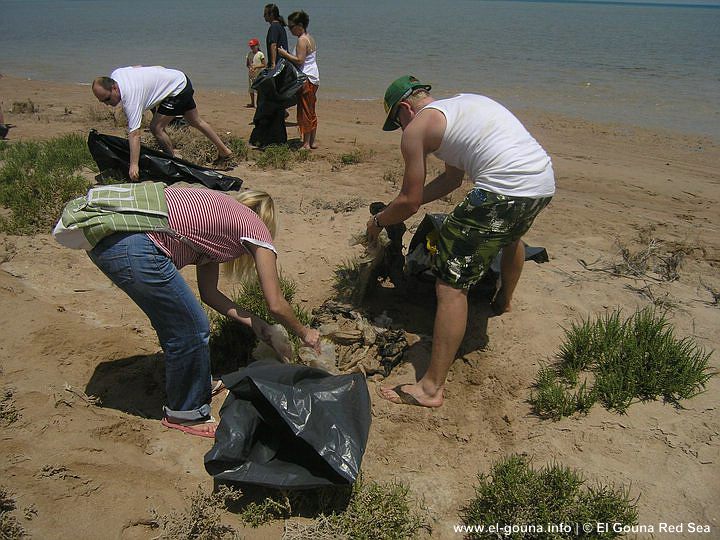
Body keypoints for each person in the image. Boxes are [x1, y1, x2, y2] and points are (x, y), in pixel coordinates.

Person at [368, 76, 555, 409]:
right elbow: (452, 179)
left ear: (404, 109)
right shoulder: (461, 106)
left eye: (396, 122)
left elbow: (408, 202)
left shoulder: (416, 130)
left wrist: (379, 221)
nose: (401, 130)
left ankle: (430, 389)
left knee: (451, 285)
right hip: (540, 181)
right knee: (511, 236)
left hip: (503, 188)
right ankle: (504, 302)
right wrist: (407, 205)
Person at [88, 186, 321, 437]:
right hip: (136, 245)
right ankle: (186, 413)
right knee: (191, 328)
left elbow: (209, 294)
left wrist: (255, 323)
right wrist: (304, 332)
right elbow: (275, 303)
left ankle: (195, 382)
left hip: (106, 239)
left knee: (183, 322)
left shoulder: (218, 222)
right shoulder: (256, 227)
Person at [92, 66, 235, 181]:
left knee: (156, 128)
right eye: (102, 101)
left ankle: (172, 161)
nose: (107, 104)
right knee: (195, 121)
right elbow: (138, 67)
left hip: (176, 90)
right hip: (180, 78)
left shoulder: (131, 99)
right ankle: (225, 151)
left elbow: (135, 134)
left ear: (114, 88)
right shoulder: (117, 74)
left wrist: (134, 165)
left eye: (107, 99)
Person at [278, 10, 319, 150]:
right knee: (311, 109)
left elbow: (300, 60)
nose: (290, 30)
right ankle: (312, 141)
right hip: (314, 77)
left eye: (291, 27)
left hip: (306, 78)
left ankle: (306, 143)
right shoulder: (309, 37)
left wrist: (284, 54)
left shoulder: (302, 40)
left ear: (300, 25)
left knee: (305, 110)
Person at [263, 4, 288, 70]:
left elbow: (273, 45)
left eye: (265, 14)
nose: (263, 16)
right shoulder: (280, 26)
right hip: (283, 63)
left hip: (278, 64)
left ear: (271, 15)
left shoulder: (274, 27)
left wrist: (273, 64)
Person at [246, 38, 266, 108]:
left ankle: (258, 103)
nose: (252, 48)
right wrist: (250, 67)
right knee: (251, 89)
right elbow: (247, 64)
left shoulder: (260, 54)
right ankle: (252, 102)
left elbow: (264, 64)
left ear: (257, 46)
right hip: (251, 74)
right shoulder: (249, 54)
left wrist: (256, 67)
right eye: (251, 46)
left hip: (259, 74)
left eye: (253, 46)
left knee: (258, 89)